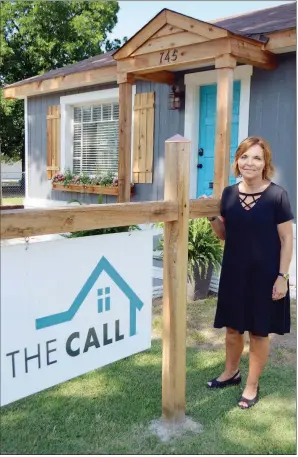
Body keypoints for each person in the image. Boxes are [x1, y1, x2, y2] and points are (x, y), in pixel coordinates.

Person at [202, 136, 294, 409]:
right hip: (234, 273)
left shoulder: (278, 195)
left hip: (265, 276)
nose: (249, 162)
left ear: (265, 163)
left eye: (256, 157)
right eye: (244, 156)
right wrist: (212, 219)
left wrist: (283, 277)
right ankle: (231, 373)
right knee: (232, 329)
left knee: (258, 332)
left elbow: (287, 240)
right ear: (237, 161)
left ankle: (252, 384)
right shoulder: (229, 194)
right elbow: (224, 234)